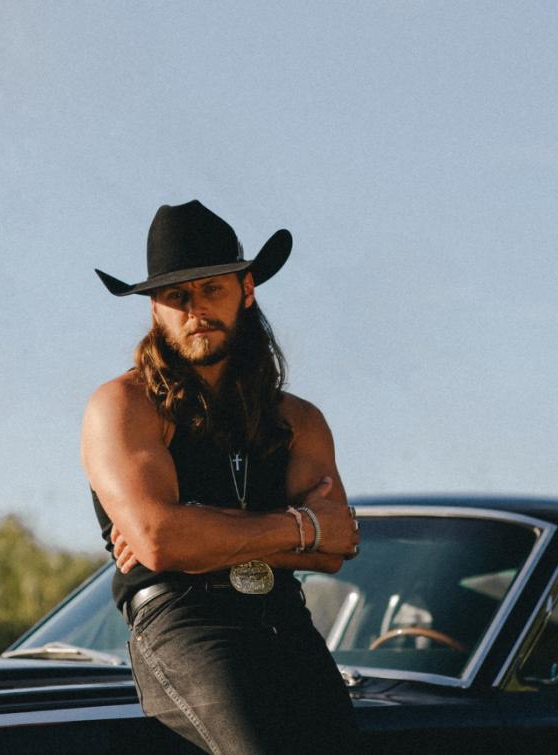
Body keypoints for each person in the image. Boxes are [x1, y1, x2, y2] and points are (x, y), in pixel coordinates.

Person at [81, 200, 362, 754]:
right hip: (184, 617)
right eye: (177, 297)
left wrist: (200, 527)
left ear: (246, 290)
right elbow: (160, 542)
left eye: (212, 289)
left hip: (284, 615)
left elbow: (337, 545)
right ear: (155, 310)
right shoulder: (124, 406)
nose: (196, 310)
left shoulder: (299, 420)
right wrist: (300, 527)